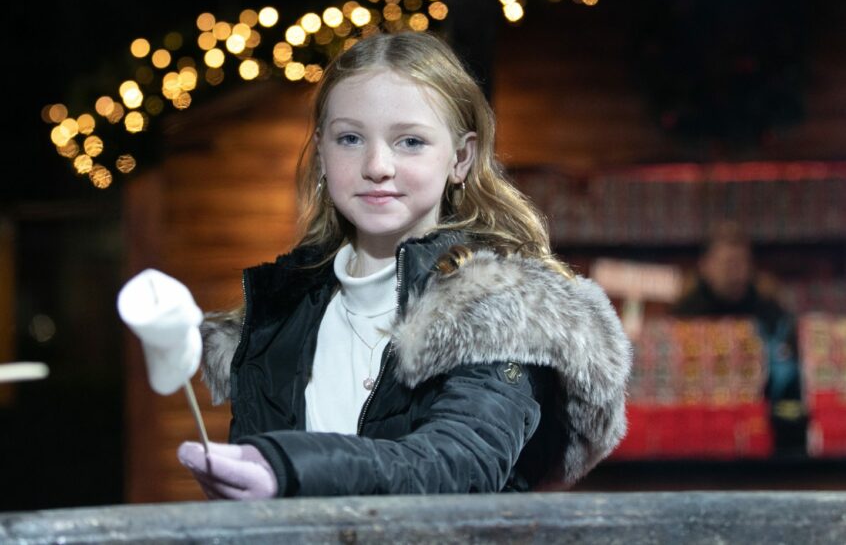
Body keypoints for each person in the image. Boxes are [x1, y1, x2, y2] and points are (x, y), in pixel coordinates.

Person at [177, 31, 632, 499]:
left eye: (410, 141)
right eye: (350, 138)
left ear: (460, 157)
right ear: (322, 153)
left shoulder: (500, 308)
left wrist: (285, 467)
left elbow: (458, 466)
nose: (377, 165)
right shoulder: (280, 315)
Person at [672, 221, 806, 453]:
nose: (732, 271)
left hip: (761, 432)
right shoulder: (685, 316)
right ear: (705, 267)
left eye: (739, 263)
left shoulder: (770, 313)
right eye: (725, 263)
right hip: (698, 430)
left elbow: (791, 386)